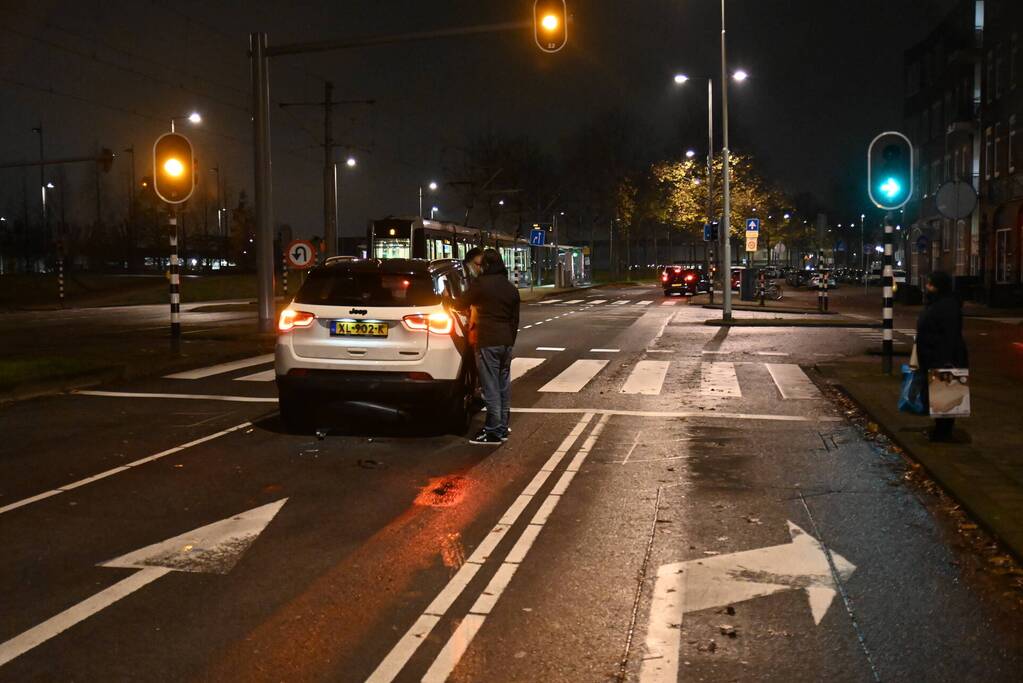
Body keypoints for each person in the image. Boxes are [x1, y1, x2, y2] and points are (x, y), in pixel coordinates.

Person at [452, 248, 520, 445]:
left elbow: (461, 303)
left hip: (488, 341)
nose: (480, 268)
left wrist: (447, 300)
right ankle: (502, 427)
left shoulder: (481, 284)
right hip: (506, 342)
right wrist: (510, 340)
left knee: (490, 387)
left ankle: (492, 431)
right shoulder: (510, 288)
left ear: (487, 265)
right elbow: (515, 320)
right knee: (503, 386)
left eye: (482, 265)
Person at [916, 271, 968, 442]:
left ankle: (943, 432)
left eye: (930, 284)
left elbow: (949, 335)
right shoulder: (938, 303)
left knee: (945, 394)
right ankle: (940, 430)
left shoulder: (947, 306)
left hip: (942, 356)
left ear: (938, 287)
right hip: (934, 355)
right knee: (938, 394)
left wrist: (946, 360)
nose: (927, 287)